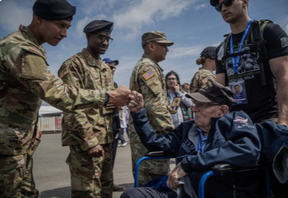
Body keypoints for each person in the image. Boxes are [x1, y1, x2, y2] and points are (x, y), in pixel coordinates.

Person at [0, 0, 131, 197]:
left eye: (67, 27)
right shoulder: (21, 49)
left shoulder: (28, 47)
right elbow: (60, 95)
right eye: (60, 25)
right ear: (38, 19)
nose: (64, 33)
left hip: (17, 144)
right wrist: (107, 96)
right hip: (9, 147)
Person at [122, 80, 263, 198]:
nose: (194, 109)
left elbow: (248, 149)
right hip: (184, 191)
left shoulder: (234, 120)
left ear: (223, 110)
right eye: (194, 104)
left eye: (201, 105)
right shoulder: (188, 128)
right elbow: (156, 144)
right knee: (131, 195)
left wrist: (190, 163)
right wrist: (139, 113)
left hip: (218, 192)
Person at [58, 20, 127, 198]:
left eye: (108, 39)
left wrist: (121, 101)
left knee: (106, 189)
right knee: (87, 191)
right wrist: (90, 140)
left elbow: (109, 101)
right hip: (85, 143)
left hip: (106, 139)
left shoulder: (105, 68)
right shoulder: (74, 65)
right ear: (88, 36)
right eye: (101, 37)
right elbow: (71, 105)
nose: (105, 42)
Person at [211, 0, 288, 125]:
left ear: (245, 1)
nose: (223, 8)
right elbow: (220, 90)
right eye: (218, 6)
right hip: (237, 122)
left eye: (228, 2)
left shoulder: (268, 32)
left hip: (268, 119)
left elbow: (284, 78)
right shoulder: (222, 48)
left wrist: (284, 122)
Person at [129, 31, 175, 186]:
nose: (167, 50)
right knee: (153, 182)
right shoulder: (148, 68)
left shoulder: (148, 66)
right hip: (151, 136)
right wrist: (170, 132)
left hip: (145, 134)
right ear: (151, 46)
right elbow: (155, 106)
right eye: (164, 46)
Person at [103, 57, 125, 192]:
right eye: (110, 67)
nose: (113, 69)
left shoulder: (115, 84)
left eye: (114, 67)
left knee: (111, 157)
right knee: (102, 159)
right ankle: (100, 185)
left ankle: (109, 183)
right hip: (102, 127)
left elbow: (117, 105)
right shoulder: (98, 83)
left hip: (114, 125)